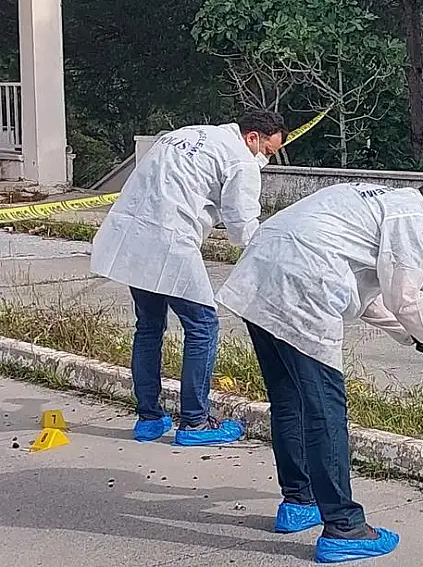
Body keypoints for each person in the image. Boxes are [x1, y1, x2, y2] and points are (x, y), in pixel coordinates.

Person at [215, 181, 423, 564]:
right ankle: (344, 527)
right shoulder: (412, 218)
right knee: (325, 410)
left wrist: (421, 339)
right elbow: (406, 297)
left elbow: (370, 300)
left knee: (290, 401)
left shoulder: (373, 202)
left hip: (263, 275)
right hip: (303, 286)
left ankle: (299, 501)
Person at [89, 110, 287, 446]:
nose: (266, 159)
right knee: (203, 326)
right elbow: (242, 229)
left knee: (149, 326)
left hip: (132, 235)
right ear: (253, 137)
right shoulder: (240, 159)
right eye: (268, 151)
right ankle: (194, 422)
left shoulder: (188, 133)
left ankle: (149, 418)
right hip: (171, 238)